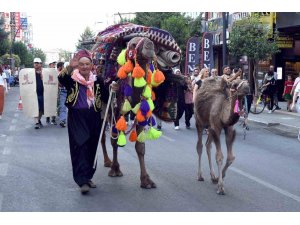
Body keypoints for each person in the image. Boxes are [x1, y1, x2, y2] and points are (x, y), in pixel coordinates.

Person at [58, 49, 114, 194]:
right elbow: (61, 79)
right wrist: (70, 66)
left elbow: (106, 97)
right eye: (81, 64)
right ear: (78, 66)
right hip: (77, 117)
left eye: (87, 64)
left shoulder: (97, 80)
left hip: (94, 116)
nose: (84, 67)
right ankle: (82, 180)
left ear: (91, 65)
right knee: (80, 145)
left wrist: (114, 89)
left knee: (92, 147)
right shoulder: (72, 78)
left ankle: (88, 176)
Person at [57, 62, 67, 127]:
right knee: (63, 106)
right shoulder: (61, 74)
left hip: (71, 92)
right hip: (63, 91)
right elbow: (59, 84)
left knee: (72, 108)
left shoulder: (74, 74)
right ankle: (63, 120)